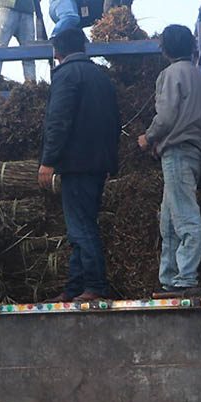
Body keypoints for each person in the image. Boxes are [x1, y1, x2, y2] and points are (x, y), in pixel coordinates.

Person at [39, 27, 120, 302]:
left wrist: (48, 161)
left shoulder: (66, 75)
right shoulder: (101, 78)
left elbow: (58, 121)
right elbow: (114, 123)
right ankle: (75, 288)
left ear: (58, 50)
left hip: (76, 165)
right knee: (81, 226)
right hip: (98, 165)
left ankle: (95, 287)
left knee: (81, 228)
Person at [139, 25, 201, 295]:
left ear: (165, 49)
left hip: (178, 151)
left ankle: (185, 277)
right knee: (169, 219)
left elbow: (167, 116)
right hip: (194, 151)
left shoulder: (171, 74)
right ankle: (169, 277)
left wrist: (148, 137)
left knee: (184, 216)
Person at [0, 0, 36, 82]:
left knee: (29, 52)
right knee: (0, 48)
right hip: (9, 8)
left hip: (25, 11)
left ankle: (31, 83)